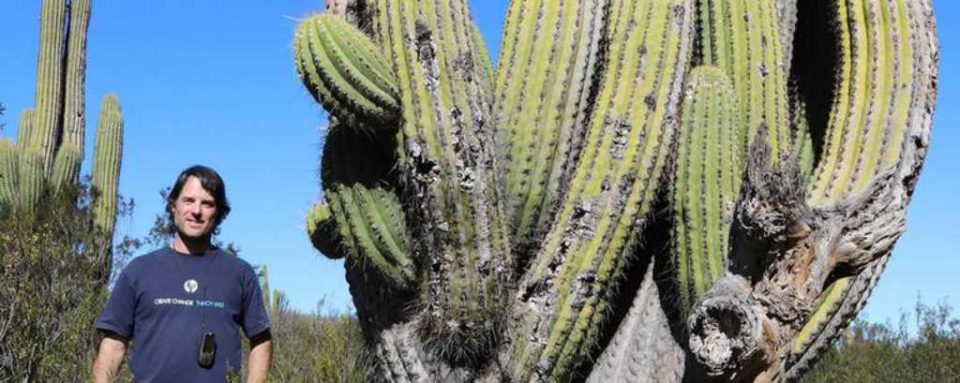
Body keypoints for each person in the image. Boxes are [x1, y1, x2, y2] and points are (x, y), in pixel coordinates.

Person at [92, 165, 272, 382]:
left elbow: (260, 339)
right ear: (173, 206)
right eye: (189, 200)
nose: (197, 211)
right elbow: (113, 345)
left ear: (219, 212)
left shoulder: (239, 273)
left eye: (207, 204)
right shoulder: (139, 271)